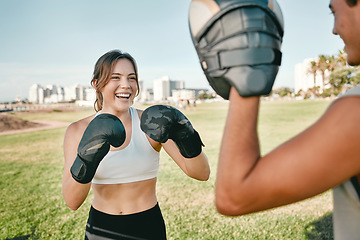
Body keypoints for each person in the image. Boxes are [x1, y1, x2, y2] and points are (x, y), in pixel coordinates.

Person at [197, 0, 359, 239]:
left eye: (334, 11)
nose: (334, 29)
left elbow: (234, 195)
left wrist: (247, 64)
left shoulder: (354, 114)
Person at [62, 49, 210, 240]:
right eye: (115, 77)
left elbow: (201, 173)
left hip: (148, 227)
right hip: (101, 228)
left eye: (131, 78)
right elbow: (72, 201)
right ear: (97, 84)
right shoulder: (77, 130)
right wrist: (87, 157)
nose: (126, 85)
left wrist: (186, 134)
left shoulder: (152, 123)